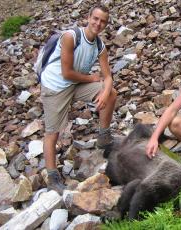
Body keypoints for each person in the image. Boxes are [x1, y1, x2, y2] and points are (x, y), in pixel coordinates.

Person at [40, 5, 117, 194]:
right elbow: (66, 73)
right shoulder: (70, 37)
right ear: (88, 17)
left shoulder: (100, 46)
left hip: (76, 84)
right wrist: (91, 78)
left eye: (103, 21)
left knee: (112, 92)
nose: (98, 24)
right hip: (56, 86)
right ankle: (52, 176)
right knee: (53, 132)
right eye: (96, 19)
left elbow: (107, 77)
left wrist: (105, 92)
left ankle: (103, 137)